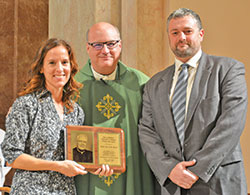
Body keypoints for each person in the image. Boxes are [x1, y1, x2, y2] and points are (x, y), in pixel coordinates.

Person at [138, 8, 247, 195]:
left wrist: (195, 170)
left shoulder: (228, 70)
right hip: (171, 185)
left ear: (201, 34)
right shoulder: (153, 84)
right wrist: (169, 169)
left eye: (187, 31)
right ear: (169, 37)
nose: (181, 37)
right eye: (175, 33)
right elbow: (147, 132)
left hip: (217, 181)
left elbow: (231, 124)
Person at [1, 38, 105, 194]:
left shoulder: (75, 112)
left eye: (64, 62)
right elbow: (11, 157)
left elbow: (75, 157)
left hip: (65, 191)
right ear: (41, 68)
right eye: (52, 63)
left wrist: (94, 167)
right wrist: (57, 166)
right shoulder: (26, 105)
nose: (59, 68)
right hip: (30, 190)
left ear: (71, 67)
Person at [74, 22, 155, 195]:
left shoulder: (142, 84)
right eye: (97, 44)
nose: (105, 50)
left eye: (111, 43)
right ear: (88, 48)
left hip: (132, 171)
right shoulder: (73, 87)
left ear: (120, 45)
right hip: (87, 176)